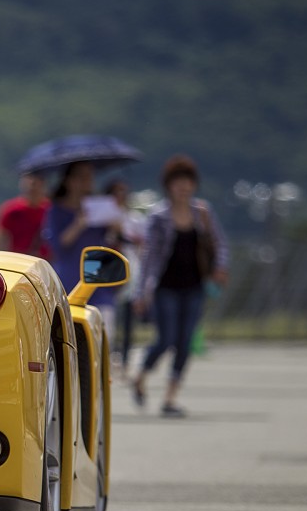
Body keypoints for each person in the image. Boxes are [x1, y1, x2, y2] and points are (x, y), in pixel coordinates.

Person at [131, 155, 228, 417]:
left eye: (187, 181)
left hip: (194, 286)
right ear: (169, 185)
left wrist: (220, 267)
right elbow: (149, 257)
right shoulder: (158, 216)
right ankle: (140, 376)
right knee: (166, 339)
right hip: (165, 287)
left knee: (185, 342)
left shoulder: (203, 212)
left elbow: (219, 244)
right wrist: (141, 293)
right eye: (178, 182)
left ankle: (170, 397)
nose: (183, 187)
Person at [41, 161, 118, 324]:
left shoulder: (100, 206)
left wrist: (116, 226)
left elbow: (112, 240)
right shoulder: (55, 210)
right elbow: (57, 246)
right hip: (69, 281)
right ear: (68, 181)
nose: (87, 181)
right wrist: (79, 224)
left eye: (90, 176)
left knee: (104, 334)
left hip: (97, 280)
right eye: (82, 177)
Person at [106, 179, 147, 378]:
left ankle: (124, 360)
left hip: (130, 267)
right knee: (109, 315)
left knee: (128, 316)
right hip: (109, 267)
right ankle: (109, 355)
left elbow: (143, 244)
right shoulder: (104, 218)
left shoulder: (134, 218)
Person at [0, 172, 49, 256]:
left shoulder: (49, 210)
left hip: (45, 262)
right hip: (18, 259)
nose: (32, 187)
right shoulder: (12, 209)